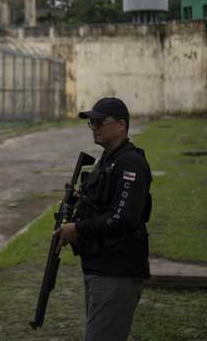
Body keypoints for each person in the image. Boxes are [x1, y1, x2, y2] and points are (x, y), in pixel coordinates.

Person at [53, 97, 152, 341]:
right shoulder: (107, 160)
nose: (94, 127)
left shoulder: (131, 162)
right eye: (92, 123)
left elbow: (123, 217)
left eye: (99, 121)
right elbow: (101, 205)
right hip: (100, 267)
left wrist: (77, 228)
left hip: (117, 272)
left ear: (121, 125)